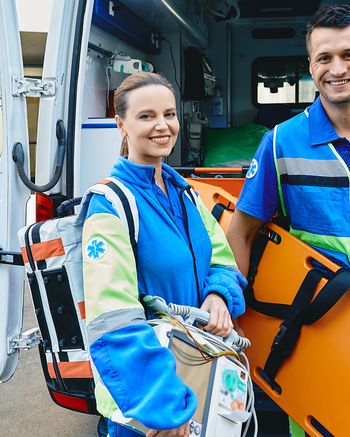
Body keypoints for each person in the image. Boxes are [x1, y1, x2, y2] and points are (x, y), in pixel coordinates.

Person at [82, 71, 247, 437]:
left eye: (169, 114)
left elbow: (222, 258)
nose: (163, 126)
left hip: (194, 371)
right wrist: (164, 409)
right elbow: (113, 321)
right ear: (120, 124)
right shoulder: (111, 205)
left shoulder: (184, 192)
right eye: (146, 116)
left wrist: (219, 295)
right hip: (146, 403)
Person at [227, 4, 350, 437]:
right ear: (310, 66)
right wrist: (233, 315)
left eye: (348, 55)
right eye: (324, 58)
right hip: (319, 325)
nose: (336, 69)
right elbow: (240, 232)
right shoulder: (279, 142)